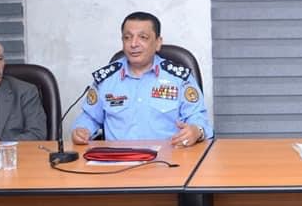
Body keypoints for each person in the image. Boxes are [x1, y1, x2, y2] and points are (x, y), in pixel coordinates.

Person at [71, 11, 212, 147]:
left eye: (143, 37)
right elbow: (89, 117)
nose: (133, 44)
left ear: (158, 43)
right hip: (117, 159)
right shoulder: (106, 79)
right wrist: (81, 130)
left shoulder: (179, 78)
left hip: (168, 159)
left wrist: (196, 131)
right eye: (127, 37)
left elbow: (198, 118)